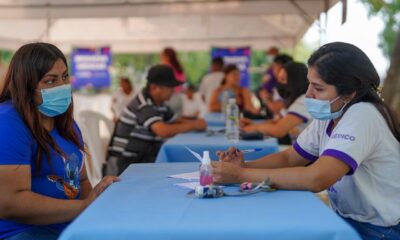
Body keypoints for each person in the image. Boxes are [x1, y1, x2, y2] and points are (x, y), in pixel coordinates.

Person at [212, 42, 400, 240]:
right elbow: (290, 158)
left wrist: (241, 175)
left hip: (378, 231)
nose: (308, 93)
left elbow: (317, 178)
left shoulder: (363, 115)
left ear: (349, 94)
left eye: (318, 88)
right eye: (309, 83)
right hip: (347, 219)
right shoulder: (331, 114)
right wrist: (243, 165)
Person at [0, 42, 118, 240]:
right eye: (49, 81)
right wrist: (83, 206)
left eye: (64, 77)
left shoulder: (66, 125)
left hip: (68, 227)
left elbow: (82, 181)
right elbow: (9, 202)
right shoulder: (8, 123)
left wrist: (96, 203)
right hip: (23, 233)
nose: (62, 87)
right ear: (25, 85)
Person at [106, 65, 206, 176]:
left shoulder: (160, 103)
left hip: (143, 158)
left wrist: (196, 122)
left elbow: (176, 120)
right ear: (154, 88)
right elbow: (163, 131)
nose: (173, 91)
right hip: (125, 164)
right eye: (170, 87)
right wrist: (194, 125)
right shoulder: (143, 104)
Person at [241, 62, 311, 142]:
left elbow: (279, 130)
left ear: (295, 81)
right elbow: (276, 122)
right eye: (278, 79)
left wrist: (256, 128)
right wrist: (253, 124)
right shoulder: (293, 102)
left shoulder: (303, 102)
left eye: (283, 79)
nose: (278, 84)